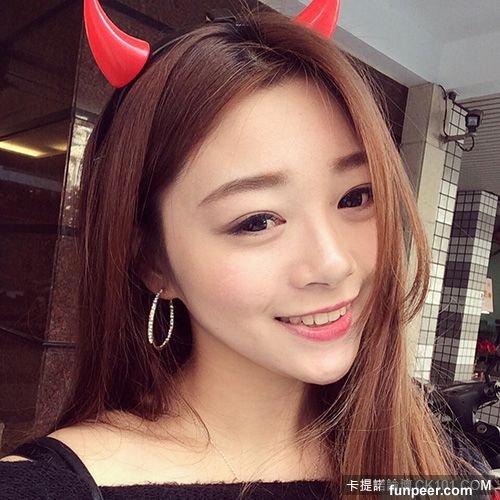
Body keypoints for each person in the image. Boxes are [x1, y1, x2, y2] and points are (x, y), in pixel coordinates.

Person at [0, 0, 492, 498]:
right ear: (152, 262)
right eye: (257, 221)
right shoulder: (44, 489)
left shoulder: (433, 458)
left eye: (355, 197)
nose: (333, 263)